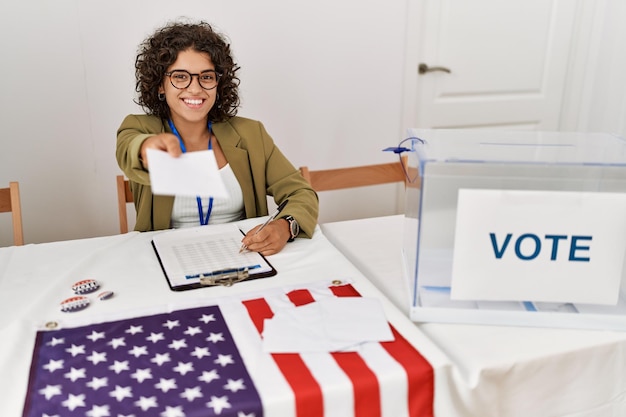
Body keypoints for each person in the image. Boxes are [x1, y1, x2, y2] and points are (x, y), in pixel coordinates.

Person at [116, 20, 318, 255]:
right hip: (168, 261)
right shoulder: (140, 127)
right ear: (161, 85)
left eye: (207, 77)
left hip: (243, 257)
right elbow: (128, 146)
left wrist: (285, 226)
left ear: (218, 83)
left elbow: (301, 193)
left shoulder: (251, 133)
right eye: (180, 77)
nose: (195, 88)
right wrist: (146, 148)